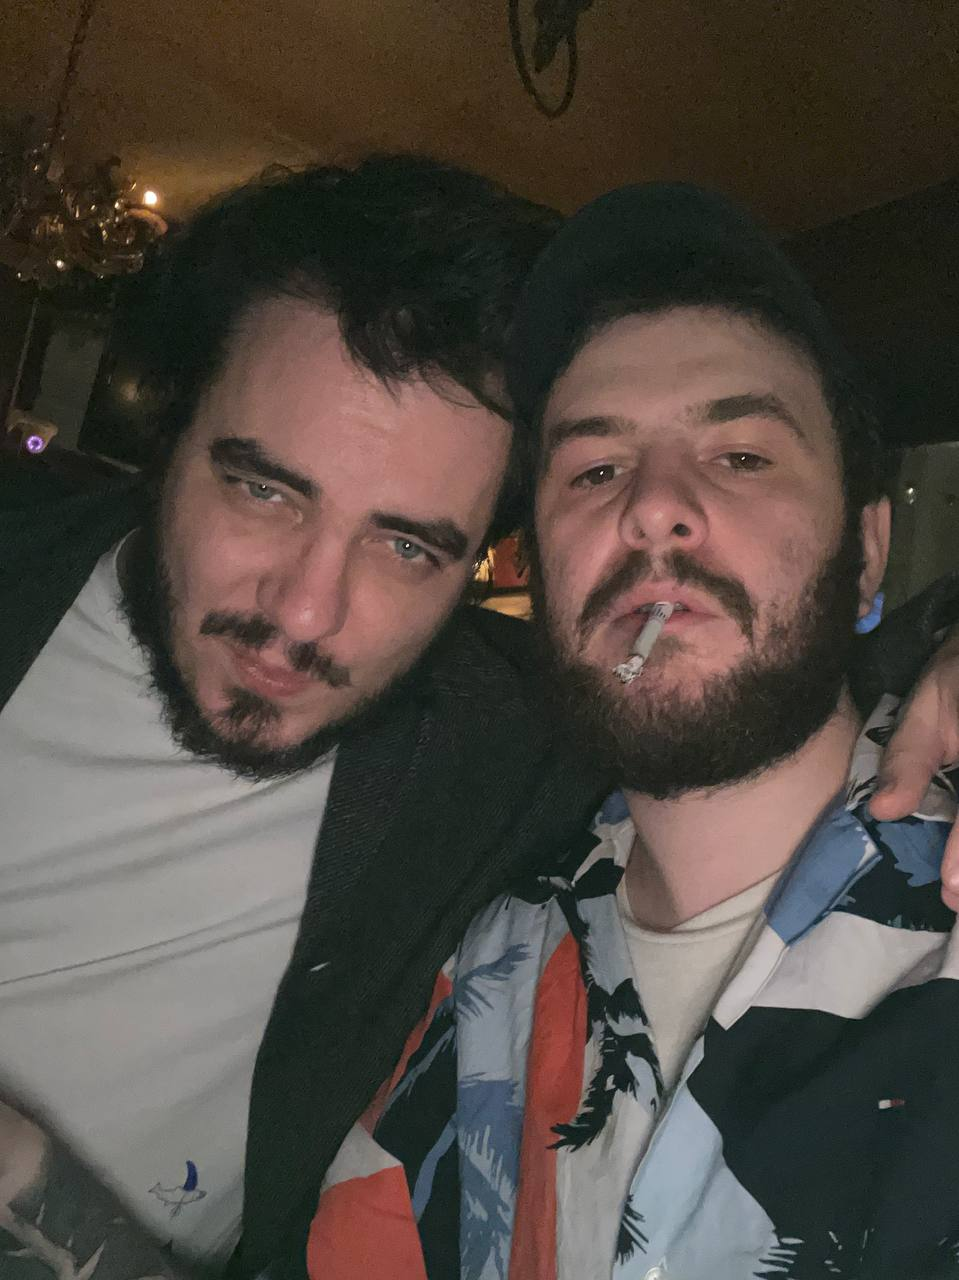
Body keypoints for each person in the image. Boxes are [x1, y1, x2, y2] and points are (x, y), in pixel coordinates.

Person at [0, 157, 957, 1279]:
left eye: (408, 545)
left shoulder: (485, 746)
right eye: (264, 488)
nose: (305, 610)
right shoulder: (493, 975)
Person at [306, 183, 959, 1279]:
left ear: (865, 552)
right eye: (594, 469)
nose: (649, 505)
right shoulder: (494, 965)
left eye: (740, 455)